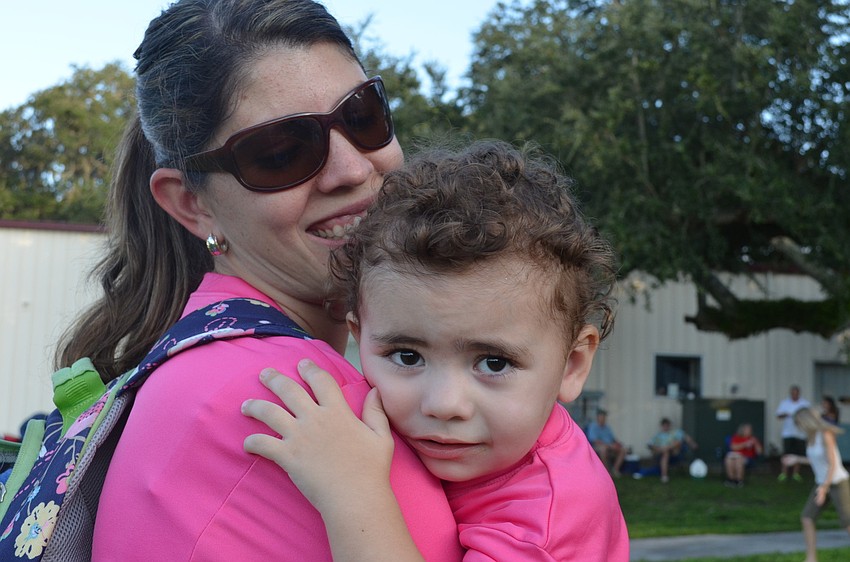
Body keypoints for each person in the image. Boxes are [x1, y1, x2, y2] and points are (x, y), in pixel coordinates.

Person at [53, 1, 462, 560]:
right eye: (281, 152)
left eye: (362, 115)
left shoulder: (193, 365)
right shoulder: (309, 407)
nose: (353, 169)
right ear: (193, 205)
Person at [242, 140, 630, 560]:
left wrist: (350, 491)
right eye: (407, 356)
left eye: (493, 362)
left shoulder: (547, 520)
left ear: (572, 365)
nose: (444, 404)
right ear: (359, 333)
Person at [790, 408, 850, 562]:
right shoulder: (810, 437)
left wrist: (824, 488)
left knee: (847, 523)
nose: (798, 427)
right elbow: (816, 461)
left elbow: (832, 465)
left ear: (806, 422)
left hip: (838, 482)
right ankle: (811, 559)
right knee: (807, 517)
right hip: (821, 483)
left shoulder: (825, 434)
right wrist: (796, 459)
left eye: (799, 424)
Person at [635, 418, 698, 483]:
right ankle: (664, 476)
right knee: (665, 452)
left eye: (667, 425)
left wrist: (693, 444)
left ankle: (666, 450)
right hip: (662, 454)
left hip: (675, 453)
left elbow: (686, 438)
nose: (666, 427)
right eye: (664, 425)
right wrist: (658, 449)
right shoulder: (658, 436)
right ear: (662, 426)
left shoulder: (676, 432)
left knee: (677, 442)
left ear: (669, 425)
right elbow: (649, 444)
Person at [776, 384, 811, 482]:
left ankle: (796, 473)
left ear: (799, 393)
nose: (794, 395)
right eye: (792, 393)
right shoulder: (784, 403)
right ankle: (784, 472)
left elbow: (809, 416)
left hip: (800, 433)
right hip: (788, 432)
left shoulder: (804, 403)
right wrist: (786, 414)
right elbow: (778, 416)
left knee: (798, 454)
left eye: (796, 393)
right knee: (787, 453)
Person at [586, 409, 627, 477]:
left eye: (604, 417)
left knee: (623, 450)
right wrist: (609, 445)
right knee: (603, 449)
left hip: (610, 446)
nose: (603, 418)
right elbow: (594, 440)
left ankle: (615, 470)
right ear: (598, 417)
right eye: (602, 416)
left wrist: (618, 443)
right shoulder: (593, 426)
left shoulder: (607, 427)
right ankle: (607, 472)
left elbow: (613, 439)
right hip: (598, 446)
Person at [723, 423, 762, 487]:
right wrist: (745, 444)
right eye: (747, 429)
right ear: (742, 430)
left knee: (738, 459)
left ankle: (739, 481)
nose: (750, 431)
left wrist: (756, 443)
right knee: (728, 459)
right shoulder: (736, 437)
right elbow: (733, 447)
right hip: (734, 456)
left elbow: (759, 452)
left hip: (747, 458)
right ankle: (731, 479)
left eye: (750, 430)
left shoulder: (753, 439)